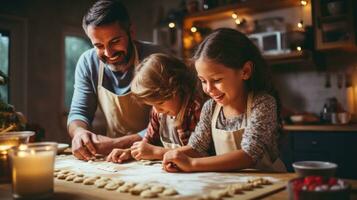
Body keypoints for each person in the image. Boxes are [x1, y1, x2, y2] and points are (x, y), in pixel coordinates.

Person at [162, 28, 287, 172]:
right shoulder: (210, 108)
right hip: (231, 185)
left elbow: (249, 154)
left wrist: (192, 164)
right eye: (203, 81)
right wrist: (174, 156)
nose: (208, 89)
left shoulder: (262, 103)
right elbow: (197, 147)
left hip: (271, 184)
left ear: (245, 71)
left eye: (216, 80)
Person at [68, 0, 166, 160]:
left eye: (115, 41)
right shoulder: (88, 63)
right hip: (113, 157)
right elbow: (79, 112)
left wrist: (116, 144)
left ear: (131, 32)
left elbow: (168, 120)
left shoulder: (157, 59)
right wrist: (79, 132)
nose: (108, 52)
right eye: (99, 45)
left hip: (155, 153)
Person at [106, 53, 204, 163]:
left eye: (160, 102)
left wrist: (157, 152)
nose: (157, 110)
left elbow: (199, 152)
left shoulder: (196, 109)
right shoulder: (158, 112)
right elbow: (148, 144)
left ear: (178, 89)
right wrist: (130, 152)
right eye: (152, 105)